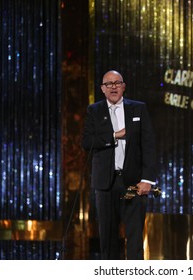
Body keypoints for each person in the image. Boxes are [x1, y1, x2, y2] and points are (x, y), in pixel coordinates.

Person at [81, 70, 157, 260]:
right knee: (107, 236)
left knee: (134, 236)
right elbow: (87, 142)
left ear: (123, 86)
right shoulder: (94, 110)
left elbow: (148, 145)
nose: (113, 86)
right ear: (102, 89)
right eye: (109, 84)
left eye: (117, 83)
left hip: (134, 181)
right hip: (105, 182)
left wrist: (147, 179)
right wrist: (114, 136)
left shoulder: (138, 109)